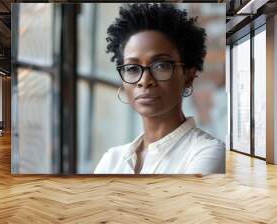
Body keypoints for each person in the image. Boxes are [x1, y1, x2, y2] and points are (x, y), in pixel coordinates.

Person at [94, 3, 225, 174]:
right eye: (132, 69)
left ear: (189, 75)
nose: (144, 81)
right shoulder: (112, 160)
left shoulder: (208, 154)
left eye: (160, 65)